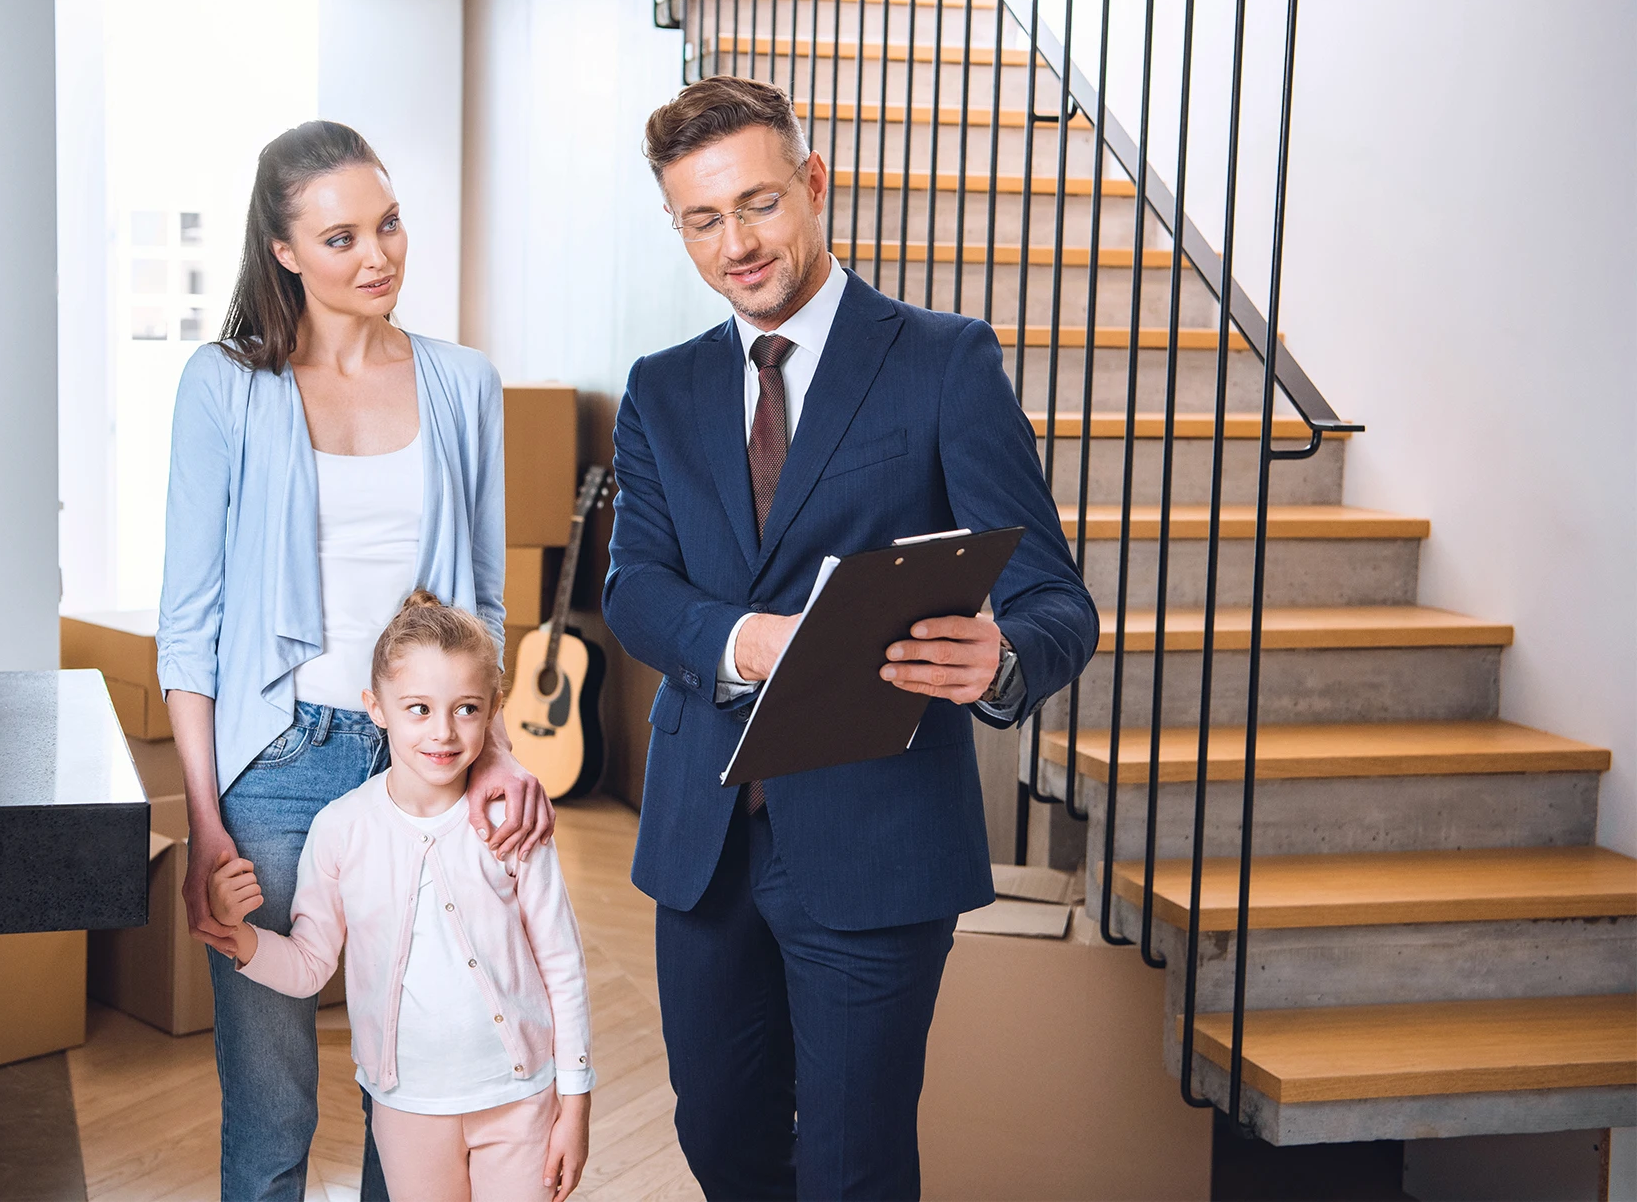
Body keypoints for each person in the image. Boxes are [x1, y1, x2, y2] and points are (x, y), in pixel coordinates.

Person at [601, 76, 1099, 1200]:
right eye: (702, 219)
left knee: (849, 1167)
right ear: (677, 226)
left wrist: (1002, 659)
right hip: (705, 844)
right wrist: (744, 639)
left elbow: (1056, 598)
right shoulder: (660, 389)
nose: (737, 243)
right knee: (720, 1140)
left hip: (875, 844)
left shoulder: (939, 361)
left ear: (812, 185)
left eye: (759, 204)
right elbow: (634, 588)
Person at [156, 121, 555, 1202]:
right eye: (340, 237)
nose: (377, 254)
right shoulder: (223, 386)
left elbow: (479, 604)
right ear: (282, 250)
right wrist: (205, 822)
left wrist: (497, 753)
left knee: (417, 1086)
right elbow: (186, 626)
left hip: (422, 765)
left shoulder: (463, 381)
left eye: (388, 223)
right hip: (273, 771)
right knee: (273, 1104)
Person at [207, 590, 595, 1202]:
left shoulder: (512, 823)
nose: (442, 732)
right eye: (418, 708)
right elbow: (311, 965)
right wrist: (241, 937)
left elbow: (563, 967)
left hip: (523, 1100)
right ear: (376, 708)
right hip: (408, 1109)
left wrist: (575, 1101)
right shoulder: (340, 830)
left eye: (466, 708)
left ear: (495, 708)